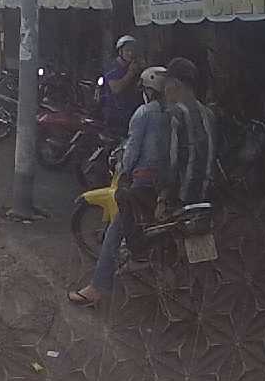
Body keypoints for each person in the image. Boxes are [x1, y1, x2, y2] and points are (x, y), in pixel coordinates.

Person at [69, 66, 170, 307]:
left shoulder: (144, 113)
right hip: (169, 184)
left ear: (147, 90)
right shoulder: (175, 112)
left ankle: (97, 288)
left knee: (116, 229)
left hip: (143, 182)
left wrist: (123, 170)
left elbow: (133, 149)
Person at [164, 57, 216, 209]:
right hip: (207, 196)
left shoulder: (175, 113)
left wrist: (163, 196)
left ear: (175, 83)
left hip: (180, 199)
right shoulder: (209, 114)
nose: (165, 90)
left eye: (166, 84)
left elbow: (171, 161)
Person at [101, 35, 145, 137]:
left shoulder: (134, 66)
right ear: (120, 51)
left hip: (132, 114)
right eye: (127, 50)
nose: (131, 53)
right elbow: (116, 88)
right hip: (115, 117)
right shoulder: (112, 67)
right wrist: (131, 73)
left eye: (133, 51)